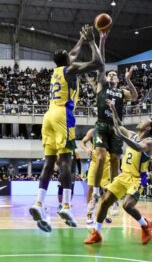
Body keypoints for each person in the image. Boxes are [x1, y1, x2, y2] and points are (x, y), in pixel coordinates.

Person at [29, 25, 104, 232]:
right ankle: (67, 206)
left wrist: (80, 40)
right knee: (66, 162)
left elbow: (71, 53)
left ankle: (38, 203)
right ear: (68, 62)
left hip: (48, 116)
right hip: (63, 114)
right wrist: (90, 41)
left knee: (48, 162)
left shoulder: (56, 70)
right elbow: (98, 63)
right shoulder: (71, 69)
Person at [84, 100, 152, 245]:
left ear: (148, 128)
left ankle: (145, 226)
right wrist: (114, 109)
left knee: (127, 205)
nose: (141, 121)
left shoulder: (149, 141)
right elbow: (118, 126)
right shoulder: (132, 134)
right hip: (123, 176)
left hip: (136, 179)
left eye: (145, 121)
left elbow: (138, 147)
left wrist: (123, 138)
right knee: (105, 202)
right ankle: (97, 232)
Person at [88, 31, 138, 215]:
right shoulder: (102, 84)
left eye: (114, 75)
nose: (111, 76)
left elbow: (134, 96)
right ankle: (95, 192)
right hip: (102, 124)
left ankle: (114, 198)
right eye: (109, 75)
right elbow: (101, 64)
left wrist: (128, 80)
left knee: (116, 161)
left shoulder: (122, 91)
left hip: (117, 128)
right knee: (101, 157)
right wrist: (102, 40)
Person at [80, 128, 113, 224]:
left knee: (105, 190)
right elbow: (82, 143)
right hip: (95, 163)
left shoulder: (111, 132)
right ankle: (89, 213)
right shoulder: (92, 132)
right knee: (90, 188)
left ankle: (105, 212)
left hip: (106, 165)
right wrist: (86, 149)